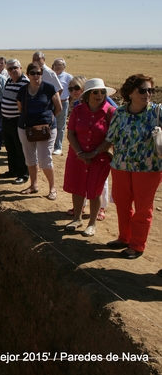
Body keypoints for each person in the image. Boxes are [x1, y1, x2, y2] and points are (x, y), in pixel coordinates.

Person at [99, 74, 162, 259]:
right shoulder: (119, 113)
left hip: (149, 169)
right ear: (130, 93)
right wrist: (92, 153)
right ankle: (124, 237)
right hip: (121, 166)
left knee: (143, 208)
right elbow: (110, 138)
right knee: (122, 204)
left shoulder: (157, 112)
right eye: (142, 90)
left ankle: (137, 245)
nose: (148, 94)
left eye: (151, 90)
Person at [63, 79, 116, 237]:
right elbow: (71, 133)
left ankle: (92, 223)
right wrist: (80, 153)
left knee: (95, 190)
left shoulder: (110, 112)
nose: (100, 95)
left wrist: (93, 153)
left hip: (98, 158)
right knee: (77, 187)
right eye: (95, 92)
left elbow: (110, 138)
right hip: (77, 156)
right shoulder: (78, 110)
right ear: (87, 95)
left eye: (102, 92)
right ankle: (77, 218)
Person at [16, 63, 62, 200]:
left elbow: (58, 107)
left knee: (44, 159)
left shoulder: (49, 88)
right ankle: (33, 185)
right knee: (30, 157)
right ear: (28, 75)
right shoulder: (23, 90)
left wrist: (49, 119)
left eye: (39, 73)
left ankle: (52, 188)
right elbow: (20, 108)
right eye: (33, 73)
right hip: (26, 128)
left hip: (46, 129)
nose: (36, 76)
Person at [0, 59, 30, 184]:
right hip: (6, 120)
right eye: (10, 69)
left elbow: (26, 104)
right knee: (10, 147)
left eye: (15, 68)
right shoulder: (9, 81)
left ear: (20, 68)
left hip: (18, 120)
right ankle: (12, 170)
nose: (12, 71)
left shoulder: (25, 83)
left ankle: (23, 174)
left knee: (20, 148)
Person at [52, 58, 74, 155]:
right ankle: (50, 145)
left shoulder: (68, 77)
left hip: (63, 103)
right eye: (55, 64)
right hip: (51, 103)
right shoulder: (51, 75)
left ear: (64, 66)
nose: (57, 66)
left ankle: (58, 146)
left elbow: (72, 93)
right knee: (51, 125)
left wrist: (67, 102)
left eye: (59, 64)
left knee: (60, 126)